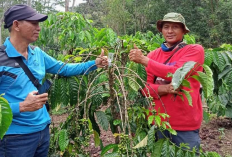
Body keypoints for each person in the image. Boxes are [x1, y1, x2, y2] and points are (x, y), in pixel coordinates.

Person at [0, 4, 108, 157]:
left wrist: (94, 64)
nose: (39, 28)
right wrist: (22, 106)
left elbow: (63, 68)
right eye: (34, 23)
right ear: (16, 25)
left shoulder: (37, 53)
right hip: (14, 139)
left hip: (42, 131)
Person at [129, 12, 204, 152]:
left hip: (185, 125)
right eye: (166, 27)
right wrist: (165, 89)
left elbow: (178, 73)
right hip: (158, 122)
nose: (170, 31)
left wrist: (144, 60)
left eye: (175, 27)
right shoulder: (153, 55)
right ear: (161, 30)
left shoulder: (194, 50)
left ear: (183, 31)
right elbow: (144, 88)